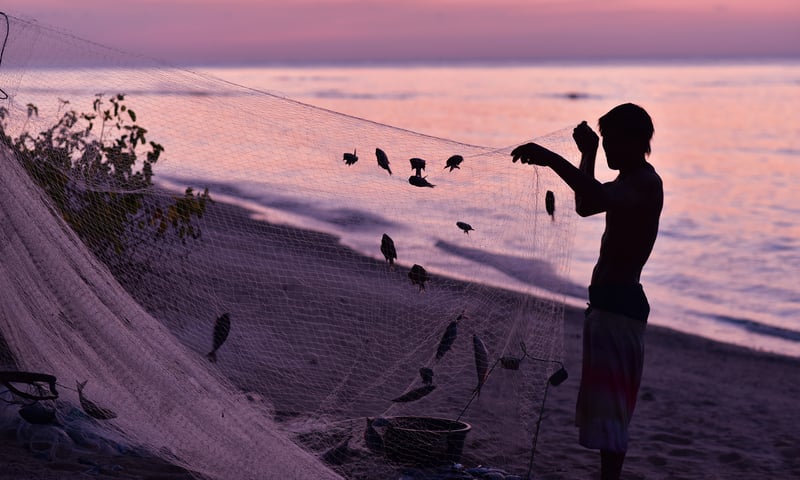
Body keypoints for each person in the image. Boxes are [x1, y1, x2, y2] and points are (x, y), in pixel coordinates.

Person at [511, 103, 663, 480]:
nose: (608, 148)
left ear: (634, 140)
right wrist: (588, 153)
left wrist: (549, 158)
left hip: (620, 310)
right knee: (603, 409)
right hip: (606, 308)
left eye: (611, 141)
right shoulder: (627, 181)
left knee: (612, 414)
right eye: (605, 142)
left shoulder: (646, 182)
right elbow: (586, 204)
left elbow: (599, 197)